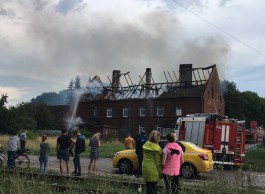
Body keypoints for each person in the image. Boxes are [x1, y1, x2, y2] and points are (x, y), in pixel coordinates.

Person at [142, 130, 162, 194]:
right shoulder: (157, 148)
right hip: (153, 171)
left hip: (145, 169)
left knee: (148, 188)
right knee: (153, 189)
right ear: (157, 138)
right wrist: (161, 173)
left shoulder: (146, 145)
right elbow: (158, 163)